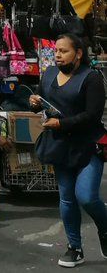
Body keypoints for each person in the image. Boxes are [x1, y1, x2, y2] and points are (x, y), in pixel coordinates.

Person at [30, 33, 107, 267]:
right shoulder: (50, 74)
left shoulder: (91, 78)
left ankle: (105, 230)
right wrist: (34, 103)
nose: (58, 55)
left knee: (86, 196)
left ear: (78, 53)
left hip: (87, 146)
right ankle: (75, 248)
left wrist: (62, 124)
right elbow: (43, 102)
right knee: (66, 199)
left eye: (63, 51)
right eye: (56, 51)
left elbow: (92, 115)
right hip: (59, 146)